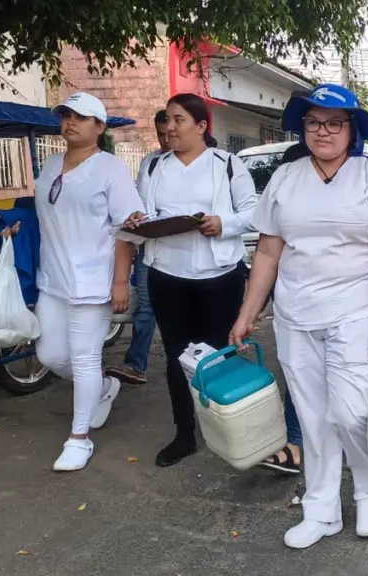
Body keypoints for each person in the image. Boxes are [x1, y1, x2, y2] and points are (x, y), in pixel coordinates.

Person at [229, 84, 368, 549]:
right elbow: (269, 252)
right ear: (302, 127)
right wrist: (248, 313)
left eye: (335, 122)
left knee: (350, 412)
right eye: (314, 122)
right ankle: (322, 508)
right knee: (312, 416)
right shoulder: (286, 177)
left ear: (352, 129)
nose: (323, 131)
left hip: (356, 312)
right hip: (295, 315)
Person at [130, 93, 257, 468]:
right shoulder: (154, 167)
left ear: (201, 126)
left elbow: (254, 212)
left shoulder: (228, 165)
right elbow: (143, 212)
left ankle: (226, 426)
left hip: (220, 276)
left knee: (220, 353)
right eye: (168, 120)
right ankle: (185, 433)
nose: (170, 128)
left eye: (179, 120)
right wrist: (139, 219)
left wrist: (223, 224)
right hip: (167, 274)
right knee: (176, 357)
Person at [28, 92, 145, 472]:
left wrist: (120, 282)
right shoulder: (49, 165)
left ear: (100, 126)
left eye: (80, 116)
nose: (70, 122)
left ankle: (79, 438)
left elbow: (128, 228)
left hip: (93, 280)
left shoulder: (110, 169)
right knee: (49, 355)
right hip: (53, 279)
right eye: (65, 116)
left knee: (83, 358)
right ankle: (103, 388)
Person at [105, 110, 170, 386]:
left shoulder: (208, 162)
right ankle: (136, 364)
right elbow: (139, 204)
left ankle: (195, 363)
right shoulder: (149, 163)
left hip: (186, 249)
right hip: (150, 244)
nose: (166, 139)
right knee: (146, 305)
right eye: (161, 133)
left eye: (171, 131)